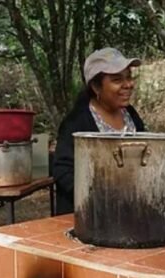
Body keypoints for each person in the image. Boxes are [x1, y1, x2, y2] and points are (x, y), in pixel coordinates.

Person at [52, 48, 146, 214]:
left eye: (129, 77)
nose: (128, 85)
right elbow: (63, 171)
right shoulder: (76, 123)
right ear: (96, 87)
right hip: (89, 214)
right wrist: (99, 198)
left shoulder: (130, 114)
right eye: (117, 80)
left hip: (128, 210)